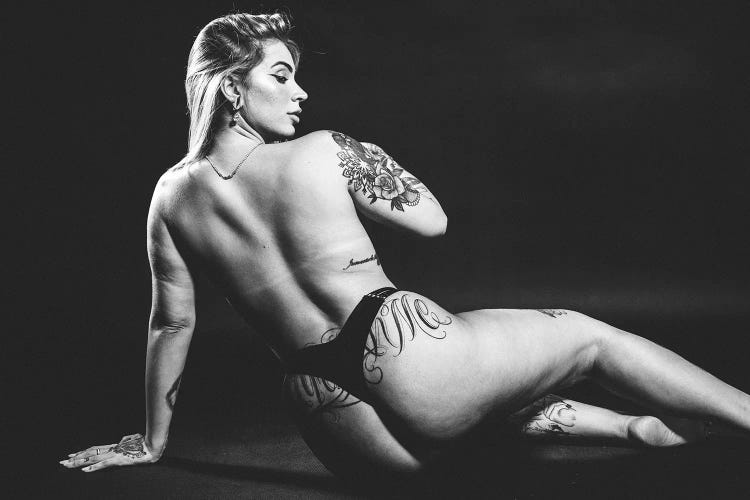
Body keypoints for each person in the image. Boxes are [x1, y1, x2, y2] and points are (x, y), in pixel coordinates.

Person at [59, 12, 749, 479]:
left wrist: (153, 443)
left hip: (329, 412)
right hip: (407, 351)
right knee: (586, 337)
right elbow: (432, 222)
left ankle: (635, 432)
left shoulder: (169, 197)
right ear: (233, 87)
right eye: (281, 75)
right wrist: (367, 155)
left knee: (476, 423)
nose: (301, 92)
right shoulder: (322, 150)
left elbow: (171, 324)